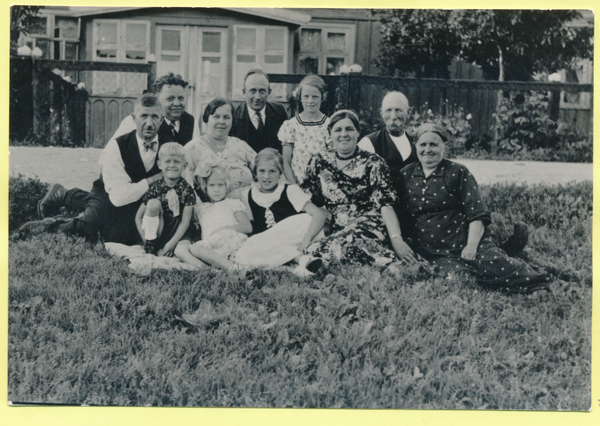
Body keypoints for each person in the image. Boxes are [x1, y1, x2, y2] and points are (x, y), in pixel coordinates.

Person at [358, 90, 528, 257]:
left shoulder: (416, 142)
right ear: (381, 113)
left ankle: (500, 247)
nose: (393, 115)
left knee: (465, 212)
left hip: (414, 207)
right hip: (386, 211)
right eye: (388, 110)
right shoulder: (369, 143)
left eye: (399, 110)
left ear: (408, 113)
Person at [395, 123, 550, 293]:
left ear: (444, 146)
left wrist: (471, 246)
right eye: (423, 144)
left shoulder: (458, 172)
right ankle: (508, 248)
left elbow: (476, 213)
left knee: (492, 264)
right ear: (415, 146)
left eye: (434, 144)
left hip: (466, 239)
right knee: (457, 278)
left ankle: (539, 282)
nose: (428, 149)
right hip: (432, 251)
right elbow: (398, 215)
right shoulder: (405, 175)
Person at [17, 93, 170, 245]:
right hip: (110, 191)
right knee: (93, 229)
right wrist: (154, 179)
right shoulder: (117, 146)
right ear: (133, 118)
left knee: (128, 235)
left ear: (162, 119)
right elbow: (119, 197)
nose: (149, 123)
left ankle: (66, 195)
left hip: (139, 199)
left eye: (155, 117)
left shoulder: (170, 146)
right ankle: (49, 226)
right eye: (144, 116)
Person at [301, 109, 416, 267]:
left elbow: (385, 204)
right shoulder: (319, 160)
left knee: (338, 244)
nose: (344, 134)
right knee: (347, 247)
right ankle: (387, 264)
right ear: (330, 133)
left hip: (368, 223)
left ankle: (317, 259)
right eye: (338, 130)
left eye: (349, 129)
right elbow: (308, 197)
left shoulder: (373, 162)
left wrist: (396, 239)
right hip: (335, 226)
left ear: (357, 132)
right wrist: (321, 213)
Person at [235, 148, 326, 274]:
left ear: (280, 173)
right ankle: (298, 269)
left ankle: (298, 260)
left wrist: (307, 240)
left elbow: (319, 214)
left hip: (295, 236)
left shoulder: (290, 190)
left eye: (272, 171)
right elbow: (253, 229)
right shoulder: (247, 196)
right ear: (255, 173)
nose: (266, 176)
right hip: (273, 244)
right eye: (262, 171)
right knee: (243, 256)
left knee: (306, 218)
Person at [176, 164, 252, 273]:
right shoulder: (202, 208)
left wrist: (223, 229)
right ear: (205, 187)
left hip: (229, 240)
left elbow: (248, 227)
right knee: (179, 250)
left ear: (226, 186)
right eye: (212, 185)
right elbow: (189, 191)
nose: (216, 190)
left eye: (220, 185)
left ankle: (234, 268)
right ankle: (213, 272)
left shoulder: (232, 203)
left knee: (195, 248)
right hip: (211, 248)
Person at [184, 98, 256, 199]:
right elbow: (186, 187)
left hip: (248, 207)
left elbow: (263, 170)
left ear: (232, 121)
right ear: (206, 119)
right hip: (209, 211)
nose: (221, 121)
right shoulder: (191, 149)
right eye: (216, 117)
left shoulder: (241, 145)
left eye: (226, 117)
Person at [135, 143, 197, 256]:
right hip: (158, 231)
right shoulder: (155, 188)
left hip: (178, 232)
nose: (172, 165)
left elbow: (185, 221)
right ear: (159, 164)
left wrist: (172, 243)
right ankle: (152, 245)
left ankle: (170, 248)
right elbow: (138, 217)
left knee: (183, 250)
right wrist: (146, 240)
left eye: (177, 162)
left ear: (185, 165)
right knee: (153, 203)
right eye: (167, 161)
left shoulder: (187, 190)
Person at [112, 73, 199, 146]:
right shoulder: (135, 121)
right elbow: (110, 154)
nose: (177, 104)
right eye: (170, 99)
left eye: (181, 98)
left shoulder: (191, 121)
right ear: (157, 98)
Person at [278, 75, 332, 185]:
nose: (310, 101)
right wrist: (294, 187)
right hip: (296, 184)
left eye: (315, 96)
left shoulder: (329, 125)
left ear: (323, 97)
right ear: (300, 97)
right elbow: (286, 162)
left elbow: (333, 160)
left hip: (322, 185)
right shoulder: (292, 125)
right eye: (306, 96)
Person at [230, 69, 288, 153]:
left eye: (262, 91)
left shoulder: (279, 112)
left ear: (269, 92)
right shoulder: (233, 115)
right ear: (244, 92)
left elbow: (286, 147)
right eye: (253, 91)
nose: (257, 97)